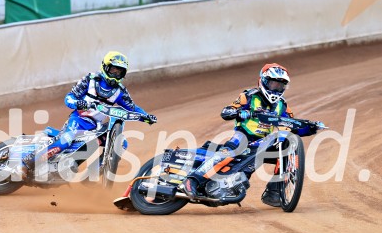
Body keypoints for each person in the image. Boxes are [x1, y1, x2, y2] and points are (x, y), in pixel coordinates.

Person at [182, 63, 323, 207]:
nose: (276, 88)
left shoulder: (282, 105)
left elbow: (293, 125)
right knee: (230, 151)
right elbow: (226, 111)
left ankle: (273, 193)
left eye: (280, 86)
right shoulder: (248, 96)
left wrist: (310, 128)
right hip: (243, 137)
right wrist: (238, 112)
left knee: (285, 151)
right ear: (263, 81)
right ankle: (192, 180)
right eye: (273, 84)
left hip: (263, 143)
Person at [23, 51, 157, 176]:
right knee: (66, 139)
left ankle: (92, 174)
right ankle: (29, 161)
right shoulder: (90, 79)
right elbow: (69, 97)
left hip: (96, 127)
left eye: (119, 72)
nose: (116, 74)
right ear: (105, 67)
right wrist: (77, 103)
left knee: (122, 143)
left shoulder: (120, 91)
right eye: (113, 70)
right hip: (78, 119)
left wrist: (146, 116)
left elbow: (132, 108)